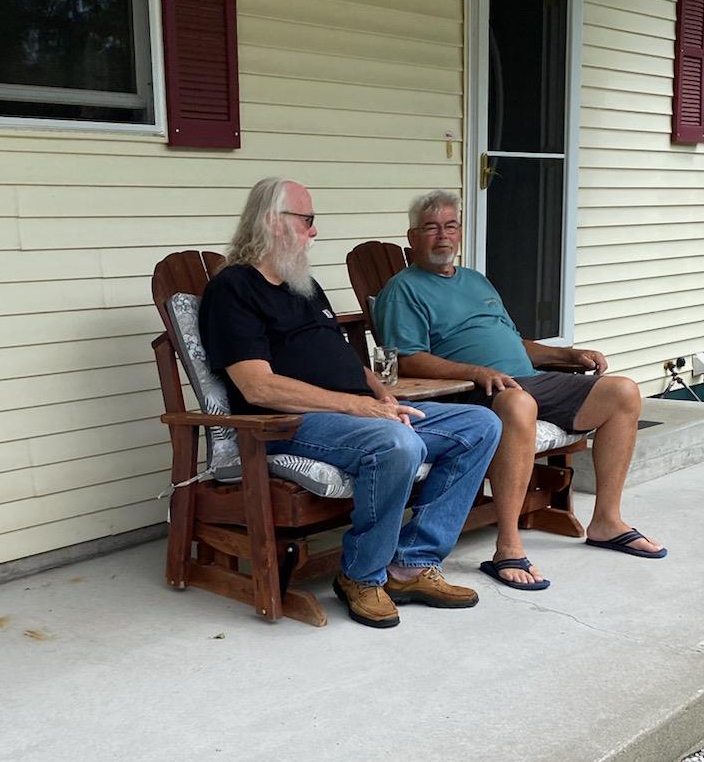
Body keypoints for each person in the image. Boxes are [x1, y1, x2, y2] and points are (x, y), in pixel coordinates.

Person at [199, 178, 502, 629]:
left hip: (360, 415)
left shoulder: (303, 285)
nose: (314, 232)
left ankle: (411, 564)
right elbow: (258, 388)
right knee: (396, 443)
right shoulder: (234, 290)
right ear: (271, 222)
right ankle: (361, 575)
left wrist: (380, 394)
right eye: (307, 221)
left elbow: (340, 357)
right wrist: (358, 408)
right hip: (290, 424)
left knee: (480, 424)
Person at [372, 190, 665, 591]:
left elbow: (515, 343)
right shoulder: (403, 290)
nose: (442, 235)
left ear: (460, 233)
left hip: (527, 378)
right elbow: (407, 358)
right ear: (412, 237)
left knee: (623, 392)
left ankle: (606, 521)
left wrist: (566, 353)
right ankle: (507, 545)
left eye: (450, 226)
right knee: (518, 402)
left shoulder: (476, 281)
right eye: (431, 228)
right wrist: (476, 372)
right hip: (467, 391)